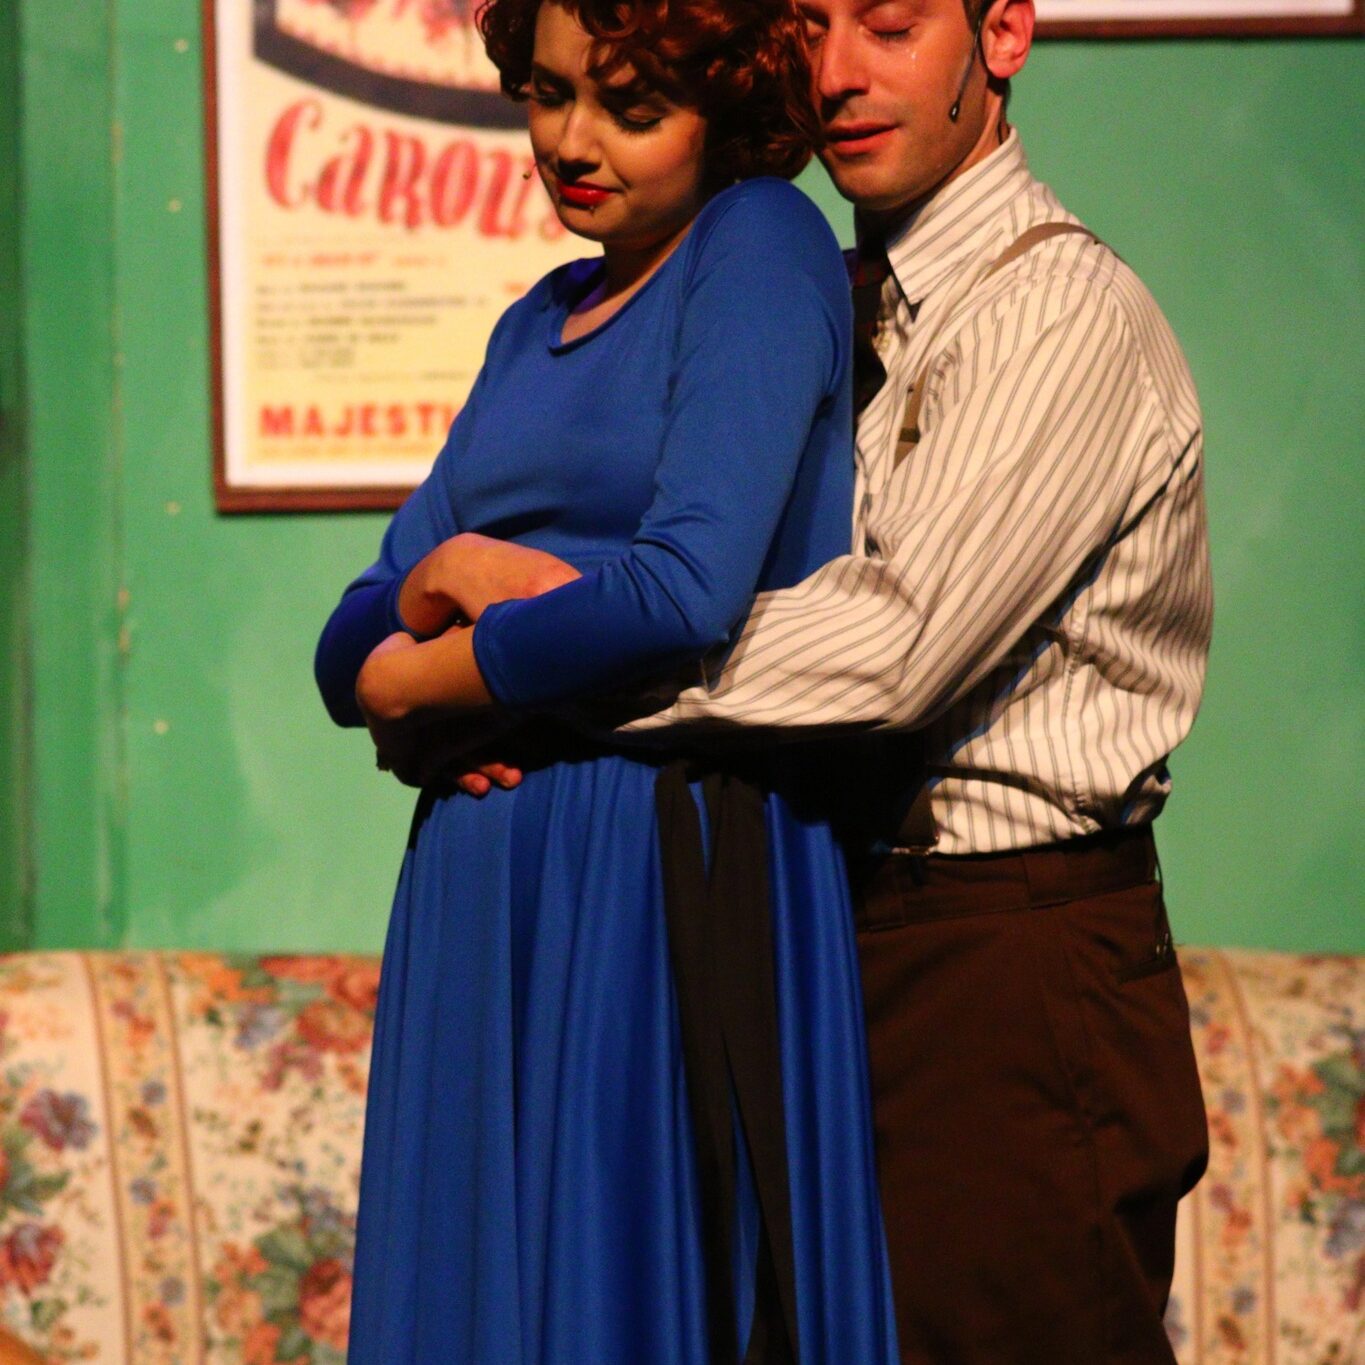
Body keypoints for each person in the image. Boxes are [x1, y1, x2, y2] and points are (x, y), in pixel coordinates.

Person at [432, 0, 1215, 1360]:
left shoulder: (1055, 311)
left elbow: (893, 648)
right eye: (808, 24)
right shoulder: (821, 294)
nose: (837, 73)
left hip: (1001, 953)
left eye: (892, 25)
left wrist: (518, 674)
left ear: (1002, 34)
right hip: (815, 914)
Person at [313, 0, 901, 1359]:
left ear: (727, 111)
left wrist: (439, 675)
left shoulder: (757, 243)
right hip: (484, 897)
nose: (573, 142)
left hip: (657, 858)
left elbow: (685, 589)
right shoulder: (536, 321)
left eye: (632, 109)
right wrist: (449, 574)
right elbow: (347, 645)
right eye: (547, 92)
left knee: (633, 1296)